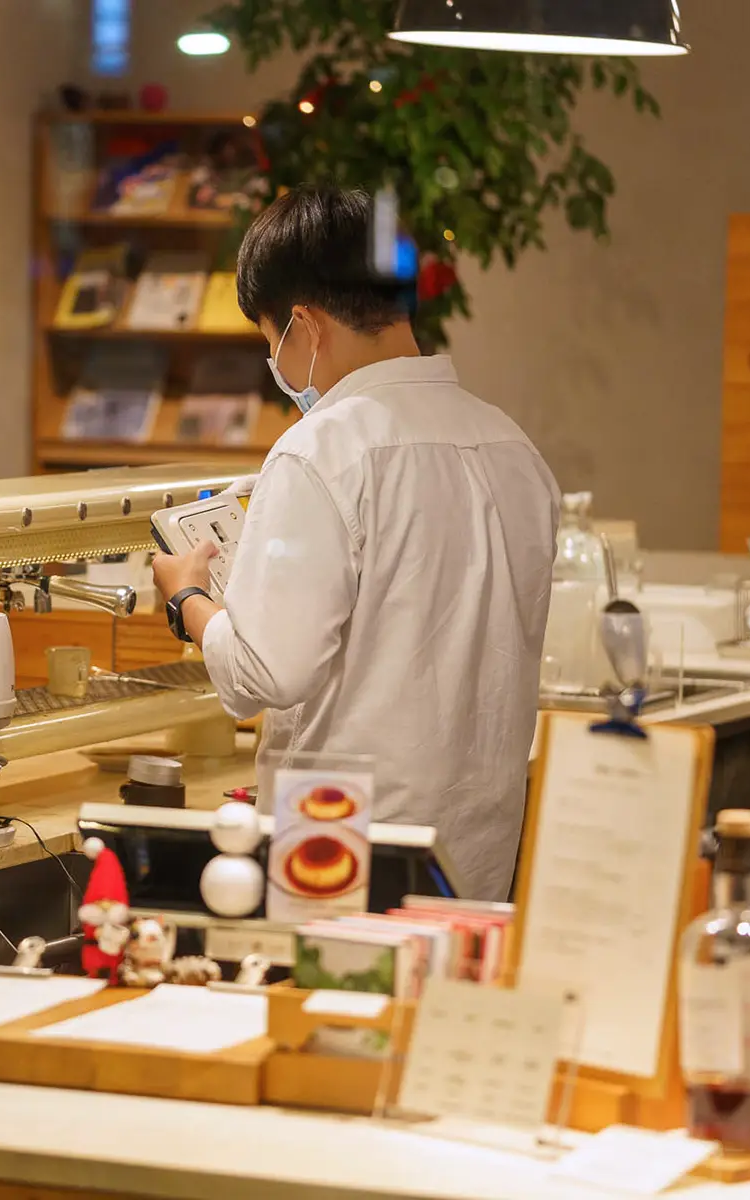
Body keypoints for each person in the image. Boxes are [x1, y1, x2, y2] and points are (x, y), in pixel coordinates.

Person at [150, 187, 559, 901]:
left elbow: (265, 675)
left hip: (345, 850)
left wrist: (187, 595)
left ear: (302, 326)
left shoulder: (321, 451)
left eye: (269, 339)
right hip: (478, 845)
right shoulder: (509, 443)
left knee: (333, 1011)